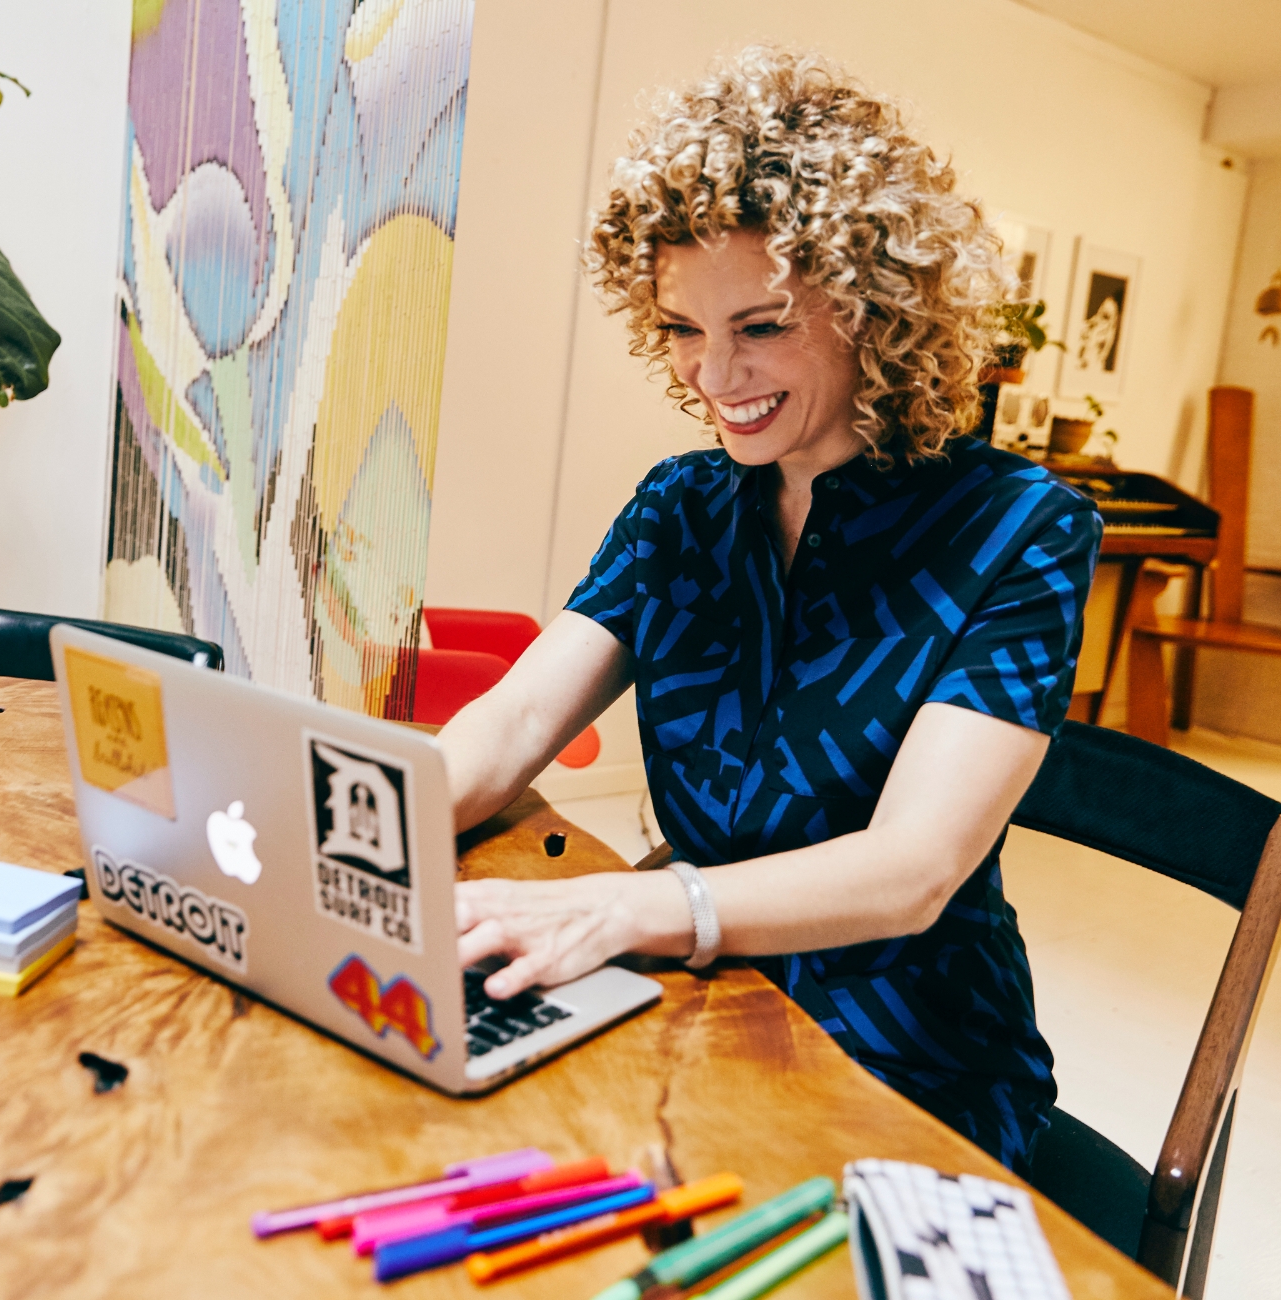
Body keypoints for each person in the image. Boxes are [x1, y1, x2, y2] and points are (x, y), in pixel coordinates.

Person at [440, 47, 1102, 1172]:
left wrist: (621, 911)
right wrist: (355, 823)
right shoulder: (682, 506)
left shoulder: (1017, 527)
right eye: (682, 330)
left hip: (904, 1064)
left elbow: (911, 868)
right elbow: (507, 727)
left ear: (873, 308)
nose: (712, 375)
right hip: (693, 1003)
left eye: (758, 325)